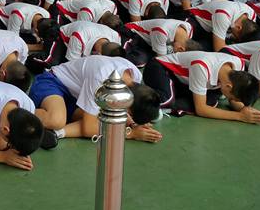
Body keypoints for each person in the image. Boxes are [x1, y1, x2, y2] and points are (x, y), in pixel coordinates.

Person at [31, 55, 162, 146]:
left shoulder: (134, 76)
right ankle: (21, 110)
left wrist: (133, 124)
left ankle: (56, 133)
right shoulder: (101, 78)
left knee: (104, 119)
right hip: (53, 82)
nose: (126, 114)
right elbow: (88, 128)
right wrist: (130, 133)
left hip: (75, 97)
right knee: (56, 120)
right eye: (129, 112)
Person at [142, 51, 260, 124]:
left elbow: (232, 100)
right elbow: (201, 110)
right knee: (167, 99)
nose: (233, 101)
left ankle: (171, 102)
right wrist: (240, 117)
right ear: (229, 86)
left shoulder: (238, 65)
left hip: (184, 80)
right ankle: (140, 97)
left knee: (211, 102)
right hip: (159, 68)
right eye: (233, 98)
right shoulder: (202, 67)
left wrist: (244, 109)